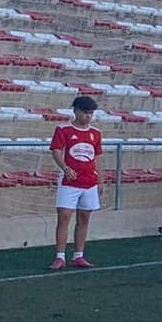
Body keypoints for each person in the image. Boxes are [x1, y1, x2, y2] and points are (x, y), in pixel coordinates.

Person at [49, 95, 102, 270]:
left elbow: (97, 158)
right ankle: (60, 256)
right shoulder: (63, 130)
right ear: (76, 111)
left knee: (84, 218)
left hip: (89, 182)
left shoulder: (96, 133)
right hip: (69, 182)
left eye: (91, 113)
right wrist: (65, 168)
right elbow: (56, 151)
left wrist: (100, 179)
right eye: (85, 112)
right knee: (64, 217)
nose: (88, 116)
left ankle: (79, 255)